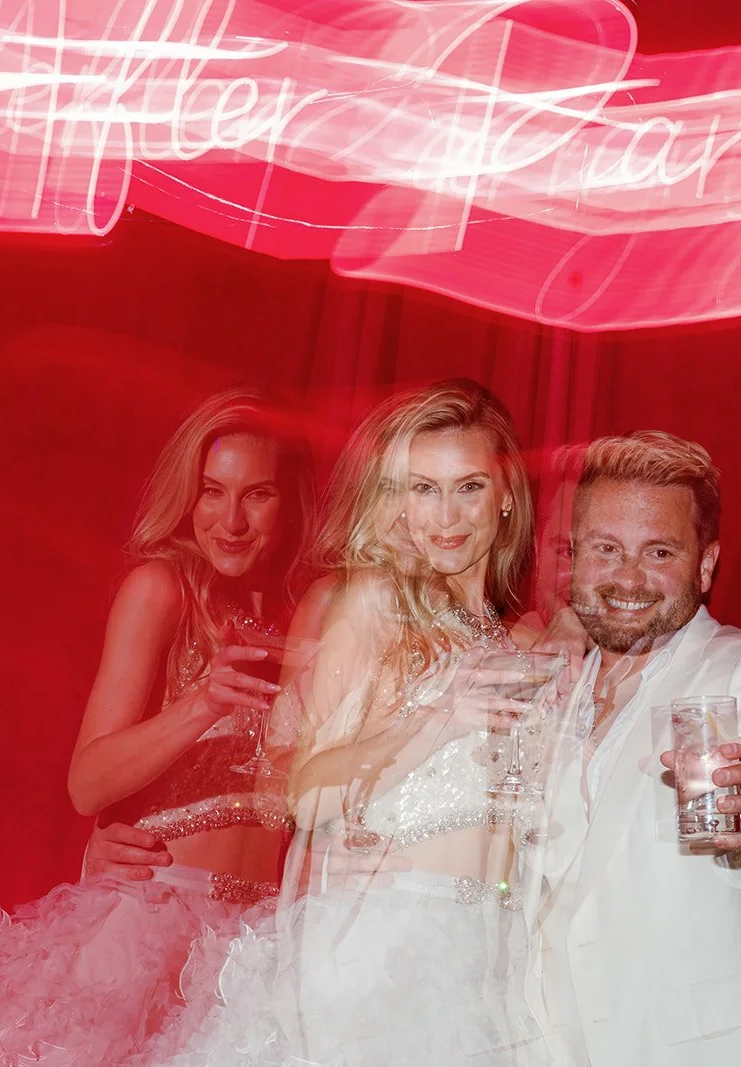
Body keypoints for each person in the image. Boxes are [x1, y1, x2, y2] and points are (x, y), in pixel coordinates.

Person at [138, 378, 561, 1067]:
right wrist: (437, 721)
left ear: (507, 495)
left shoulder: (532, 647)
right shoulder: (368, 612)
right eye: (422, 488)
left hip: (494, 968)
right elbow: (304, 794)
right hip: (378, 960)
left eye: (470, 487)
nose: (446, 515)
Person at [0, 390, 316, 1067]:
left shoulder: (312, 616)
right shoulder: (163, 591)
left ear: (294, 501)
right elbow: (88, 781)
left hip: (257, 946)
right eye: (213, 492)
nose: (232, 520)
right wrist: (201, 703)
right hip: (157, 927)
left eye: (258, 494)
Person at [530, 431, 741, 1066]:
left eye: (659, 551)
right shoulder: (550, 689)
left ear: (706, 564)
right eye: (606, 549)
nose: (627, 578)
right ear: (576, 555)